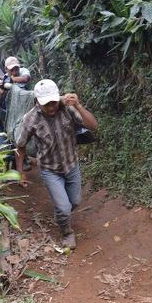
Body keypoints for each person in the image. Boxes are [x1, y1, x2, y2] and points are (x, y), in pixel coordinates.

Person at [15, 79, 98, 249]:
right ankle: (67, 232)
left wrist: (79, 106)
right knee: (64, 207)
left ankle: (61, 214)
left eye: (54, 102)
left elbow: (93, 126)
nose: (52, 107)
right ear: (37, 101)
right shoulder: (30, 119)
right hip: (50, 170)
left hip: (71, 165)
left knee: (75, 201)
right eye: (47, 104)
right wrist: (20, 171)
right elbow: (20, 146)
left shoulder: (67, 108)